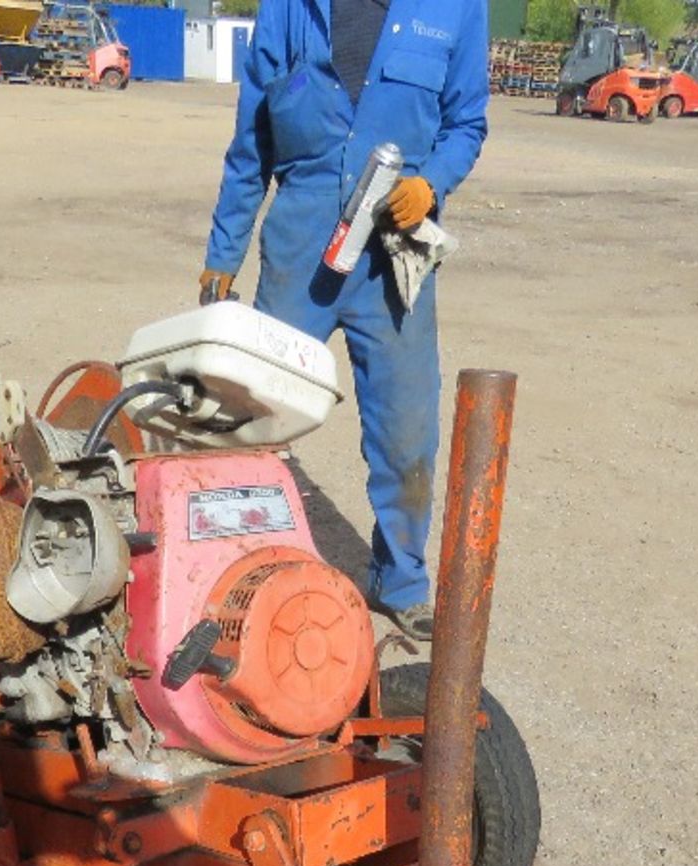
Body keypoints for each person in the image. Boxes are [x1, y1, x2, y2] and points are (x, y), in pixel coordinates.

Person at [199, 0, 488, 641]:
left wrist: (432, 183)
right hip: (302, 241)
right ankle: (236, 570)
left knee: (405, 430)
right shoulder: (289, 10)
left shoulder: (456, 9)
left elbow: (467, 122)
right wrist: (224, 252)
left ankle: (401, 580)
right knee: (255, 417)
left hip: (391, 251)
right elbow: (251, 146)